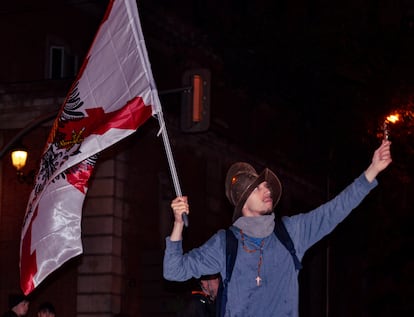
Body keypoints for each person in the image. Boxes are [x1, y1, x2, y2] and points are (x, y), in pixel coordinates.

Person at [163, 140, 392, 317]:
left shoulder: (291, 233)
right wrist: (178, 223)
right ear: (243, 203)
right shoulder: (225, 243)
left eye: (266, 186)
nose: (267, 190)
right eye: (258, 189)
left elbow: (334, 211)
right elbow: (173, 271)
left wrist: (371, 171)